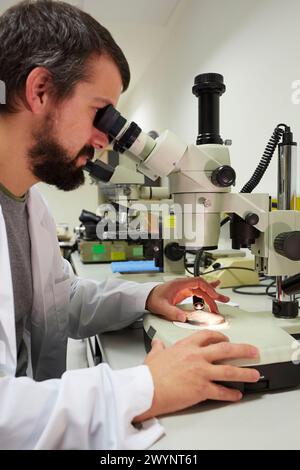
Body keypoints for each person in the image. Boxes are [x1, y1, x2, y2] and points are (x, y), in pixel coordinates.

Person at [0, 0, 260, 450]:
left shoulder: (29, 205)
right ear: (40, 89)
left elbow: (62, 300)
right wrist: (146, 386)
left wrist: (150, 294)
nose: (105, 141)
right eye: (101, 114)